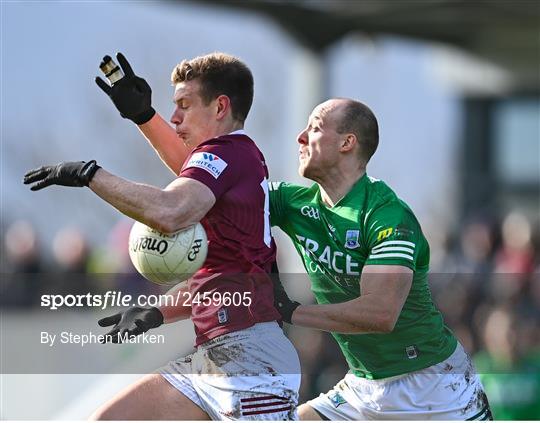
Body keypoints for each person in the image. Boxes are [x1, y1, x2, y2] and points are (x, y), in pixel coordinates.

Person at [89, 55, 492, 420]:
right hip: (363, 387)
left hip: (437, 387)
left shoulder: (387, 215)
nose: (299, 137)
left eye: (314, 129)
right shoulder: (293, 202)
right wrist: (144, 117)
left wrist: (291, 310)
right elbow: (207, 177)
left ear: (347, 144)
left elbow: (380, 315)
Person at [24, 52, 300, 420]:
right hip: (213, 358)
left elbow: (169, 212)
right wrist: (155, 312)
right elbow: (218, 280)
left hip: (253, 362)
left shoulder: (228, 154)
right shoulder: (234, 158)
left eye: (184, 105)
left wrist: (90, 174)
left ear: (220, 107)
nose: (174, 117)